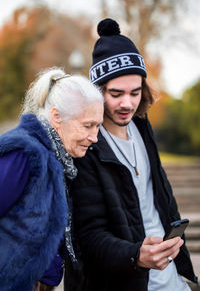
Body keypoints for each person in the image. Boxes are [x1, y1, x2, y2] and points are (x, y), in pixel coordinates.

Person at [70, 19, 198, 291]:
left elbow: (161, 197)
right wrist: (135, 255)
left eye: (135, 93)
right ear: (97, 92)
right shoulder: (84, 144)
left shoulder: (141, 125)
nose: (127, 103)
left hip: (172, 279)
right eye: (116, 94)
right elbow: (88, 238)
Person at [0, 67, 104, 291]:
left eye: (98, 126)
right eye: (87, 126)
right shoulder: (24, 153)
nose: (94, 137)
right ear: (56, 116)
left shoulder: (59, 159)